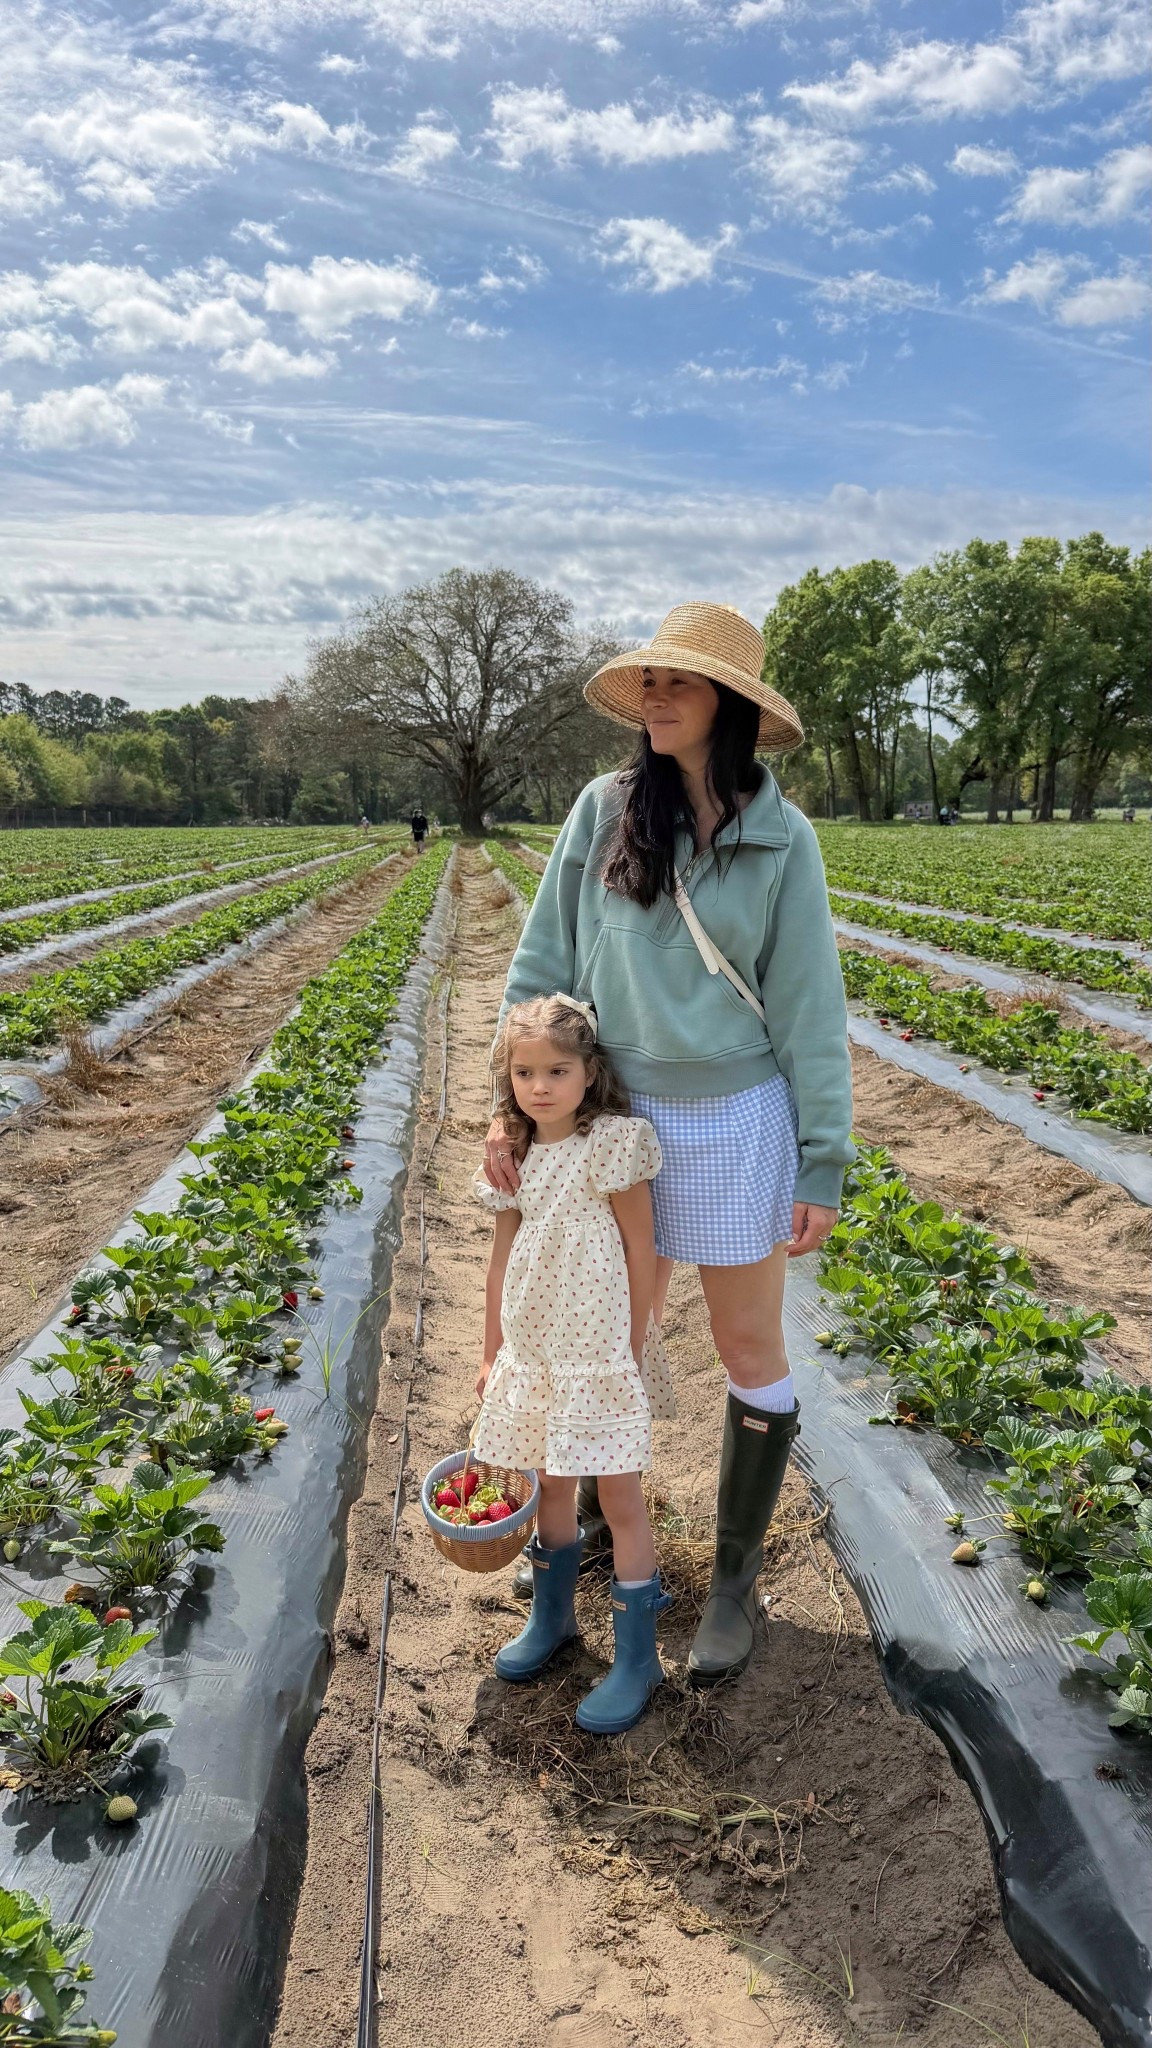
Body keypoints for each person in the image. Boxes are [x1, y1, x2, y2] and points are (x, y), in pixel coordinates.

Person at [483, 601, 853, 1686]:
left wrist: (821, 1157)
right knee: (604, 1330)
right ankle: (591, 1522)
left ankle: (732, 1583)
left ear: (730, 705)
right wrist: (512, 1109)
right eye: (646, 680)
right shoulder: (601, 811)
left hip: (736, 1122)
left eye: (676, 681)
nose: (653, 697)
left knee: (748, 1349)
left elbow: (810, 1007)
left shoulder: (782, 837)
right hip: (609, 1121)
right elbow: (541, 960)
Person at [475, 993, 676, 1734]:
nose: (540, 1086)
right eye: (525, 1073)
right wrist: (491, 1352)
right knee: (549, 1487)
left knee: (619, 1500)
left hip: (599, 1355)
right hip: (537, 1350)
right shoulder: (513, 1156)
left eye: (557, 1070)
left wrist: (632, 1341)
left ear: (590, 1072)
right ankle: (554, 1622)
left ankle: (637, 1658)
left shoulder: (612, 1143)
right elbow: (500, 1261)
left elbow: (639, 1246)